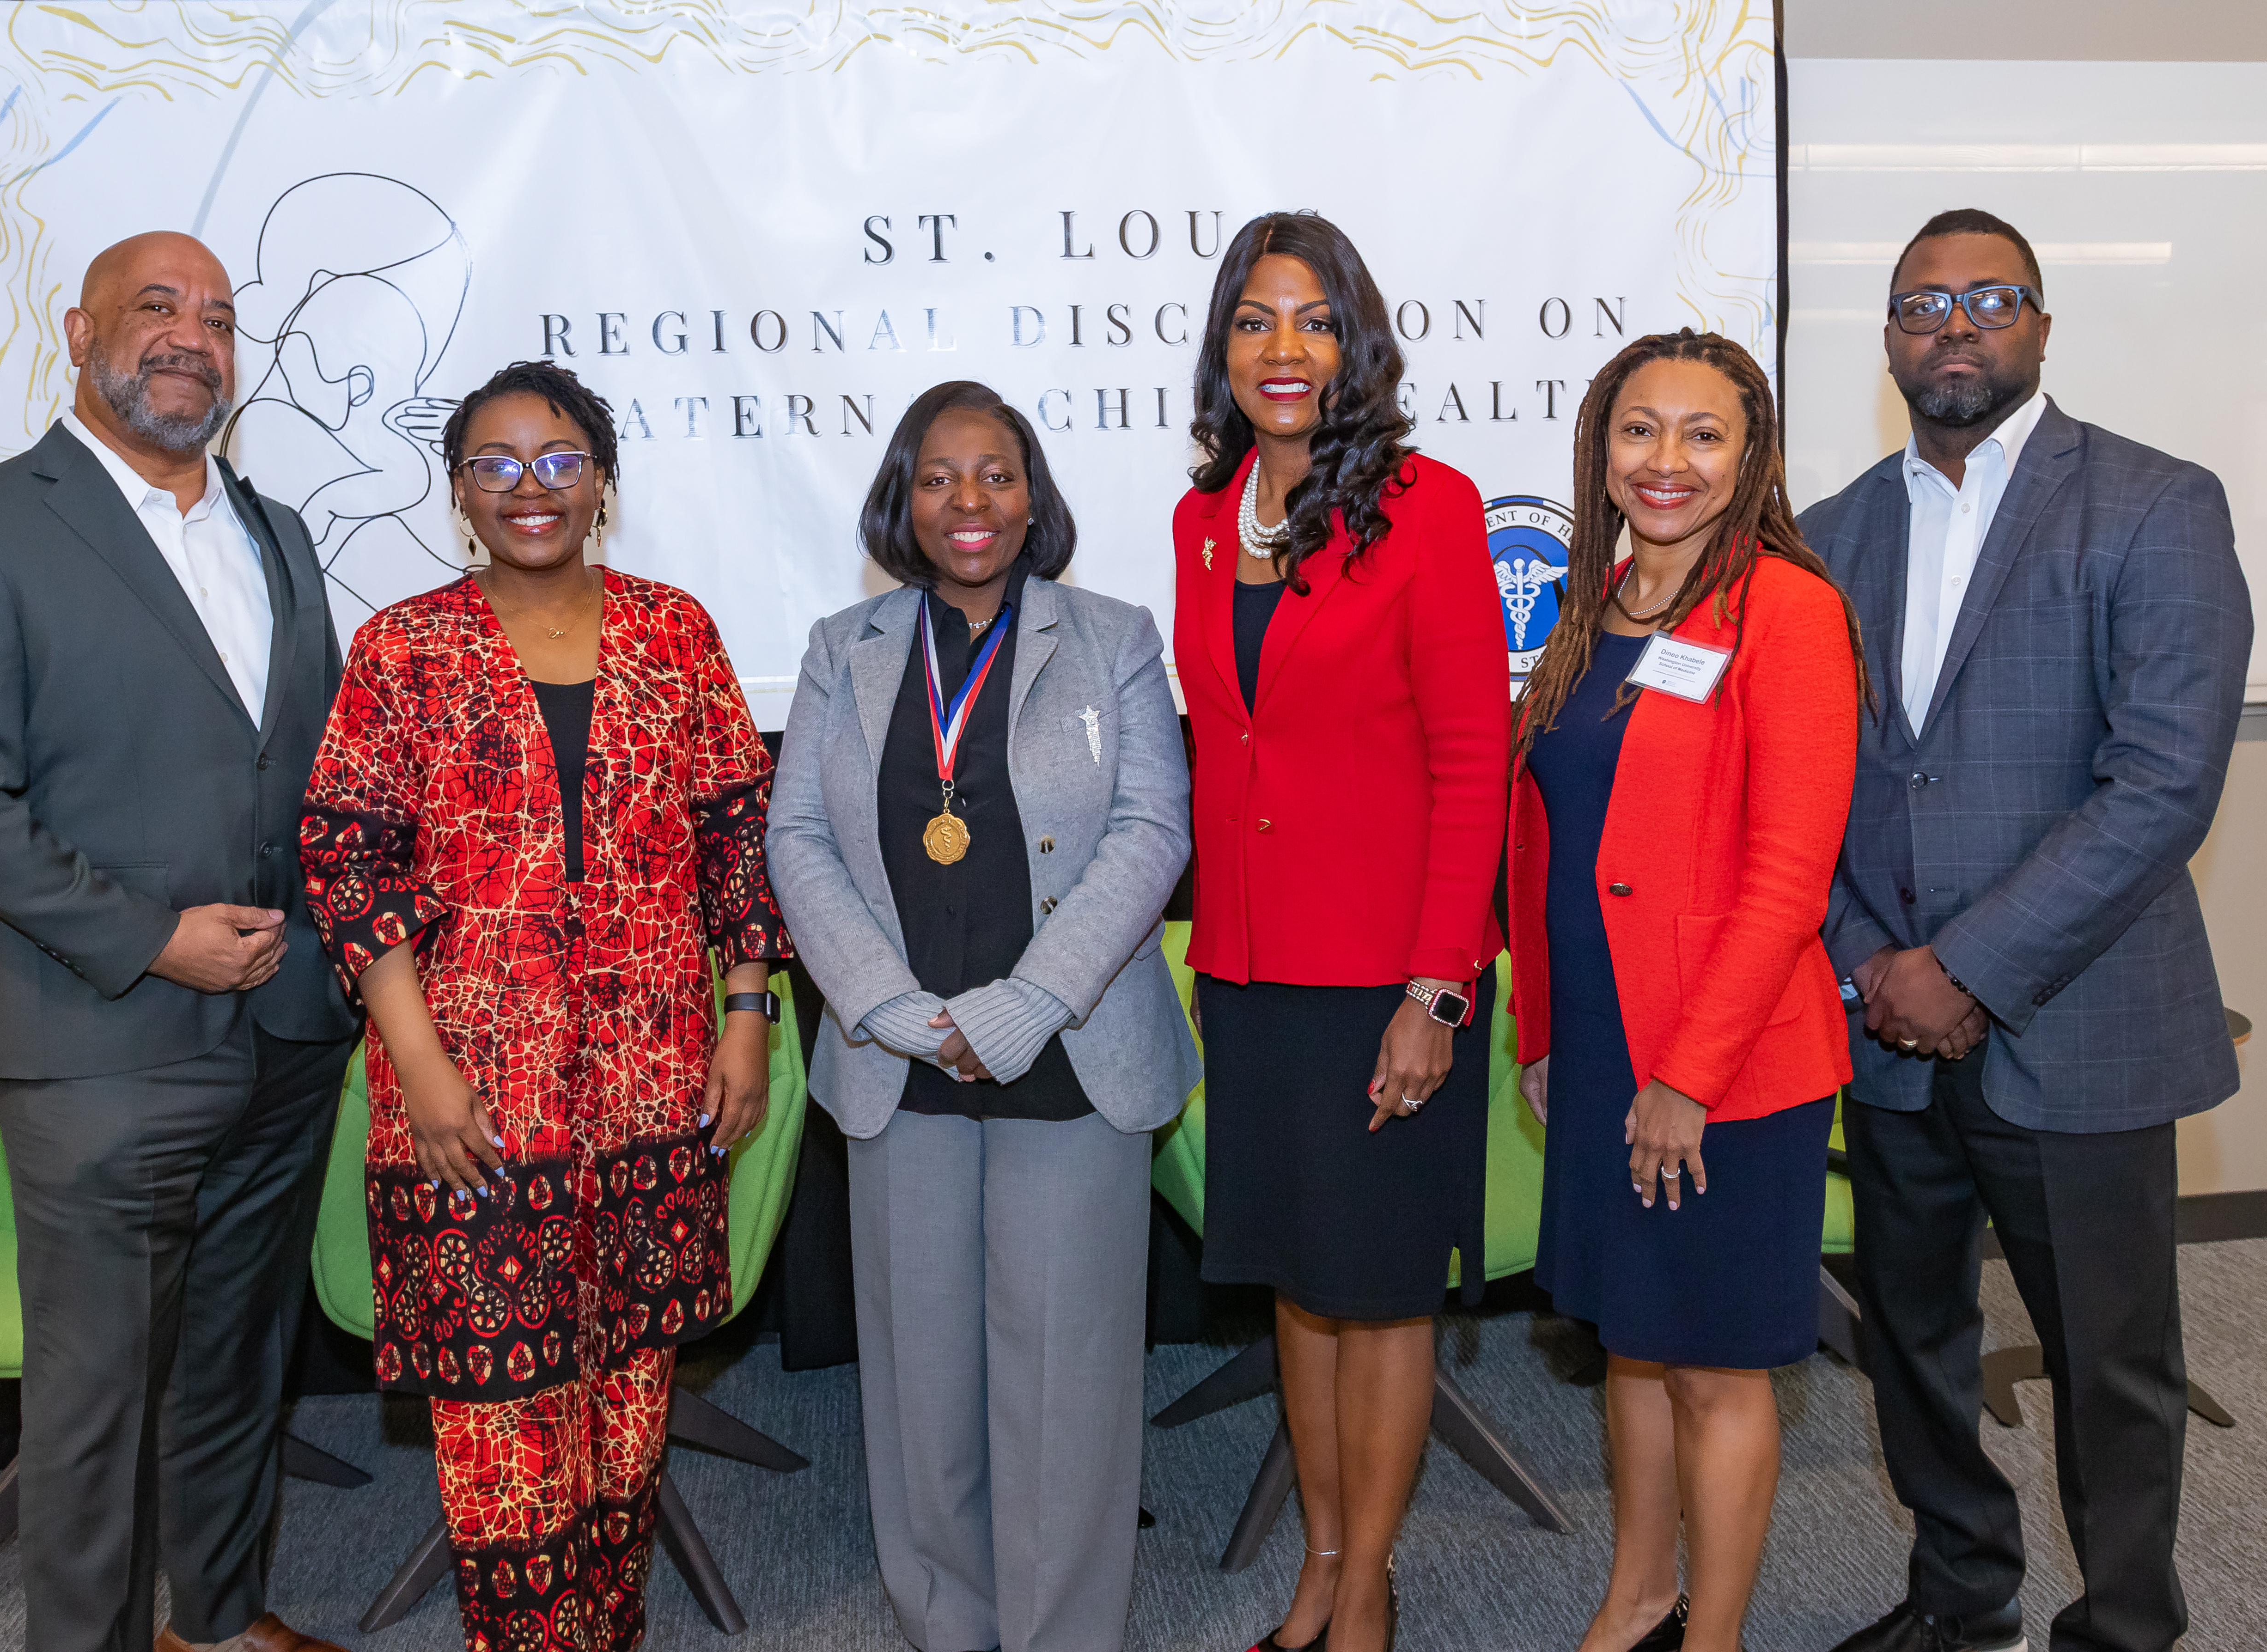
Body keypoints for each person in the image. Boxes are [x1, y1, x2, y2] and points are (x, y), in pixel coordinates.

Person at [0, 232, 360, 1652]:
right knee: (93, 1406)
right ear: (80, 327)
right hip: (104, 1046)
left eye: (216, 318)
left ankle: (211, 1624)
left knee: (232, 1367)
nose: (189, 338)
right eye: (159, 308)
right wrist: (153, 939)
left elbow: (299, 761)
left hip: (282, 1033)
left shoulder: (274, 527)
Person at [1805, 210, 2251, 1652]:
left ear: (2040, 327)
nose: (1952, 324)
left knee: (2110, 1361)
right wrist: (1877, 959)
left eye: (1987, 299)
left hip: (2078, 1018)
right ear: (1887, 339)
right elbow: (1799, 789)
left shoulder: (2151, 502)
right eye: (1919, 303)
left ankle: (2124, 1622)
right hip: (1883, 1025)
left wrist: (1969, 968)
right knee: (1916, 1346)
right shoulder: (1826, 537)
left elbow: (2162, 785)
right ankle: (1960, 1592)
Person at [297, 360, 790, 1652]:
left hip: (652, 1080)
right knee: (502, 1432)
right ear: (458, 492)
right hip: (472, 1093)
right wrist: (421, 1067)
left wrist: (749, 1017)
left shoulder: (673, 631)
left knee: (627, 1411)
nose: (532, 489)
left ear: (603, 485)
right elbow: (347, 865)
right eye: (497, 465)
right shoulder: (401, 647)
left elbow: (739, 835)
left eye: (561, 460)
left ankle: (608, 1632)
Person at [766, 379, 1197, 1652]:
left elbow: (1150, 831)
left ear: (1033, 496)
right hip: (897, 1063)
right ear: (902, 498)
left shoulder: (1112, 637)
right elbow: (796, 837)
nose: (969, 501)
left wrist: (1028, 1004)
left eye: (996, 473)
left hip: (1068, 1060)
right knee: (921, 1379)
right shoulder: (841, 649)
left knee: (1063, 1381)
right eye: (940, 476)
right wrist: (888, 1005)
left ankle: (1061, 1635)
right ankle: (944, 1623)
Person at [1173, 212, 1509, 1652]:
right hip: (1249, 975)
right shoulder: (1202, 521)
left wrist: (1436, 990)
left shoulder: (1429, 507)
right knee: (1298, 1292)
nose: (1283, 349)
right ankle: (1318, 1558)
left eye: (1311, 320)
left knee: (1375, 1301)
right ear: (1224, 349)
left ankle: (1367, 1585)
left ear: (1355, 343)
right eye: (1254, 320)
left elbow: (1469, 761)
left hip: (1389, 975)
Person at [1507, 330, 1867, 1652]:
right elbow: (1544, 838)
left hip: (1725, 1063)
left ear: (1751, 456)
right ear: (1599, 449)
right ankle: (1637, 1595)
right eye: (1638, 431)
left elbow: (1788, 877)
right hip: (1602, 1042)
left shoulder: (1783, 608)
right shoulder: (1588, 605)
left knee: (1714, 1362)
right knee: (1630, 1341)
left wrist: (1685, 1078)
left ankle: (1707, 1636)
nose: (1666, 461)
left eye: (1702, 434)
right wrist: (1544, 1033)